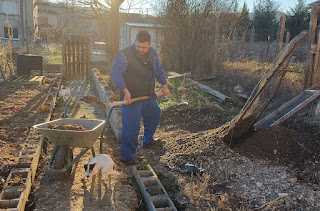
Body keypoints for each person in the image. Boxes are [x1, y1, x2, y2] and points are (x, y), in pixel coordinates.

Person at [110, 30, 170, 165]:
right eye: (138, 46)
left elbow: (158, 69)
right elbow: (115, 73)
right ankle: (126, 156)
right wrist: (125, 91)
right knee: (131, 127)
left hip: (148, 95)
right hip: (131, 98)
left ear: (149, 44)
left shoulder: (152, 53)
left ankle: (148, 141)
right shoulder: (124, 55)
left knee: (155, 114)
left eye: (143, 47)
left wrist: (164, 85)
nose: (140, 50)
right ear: (135, 42)